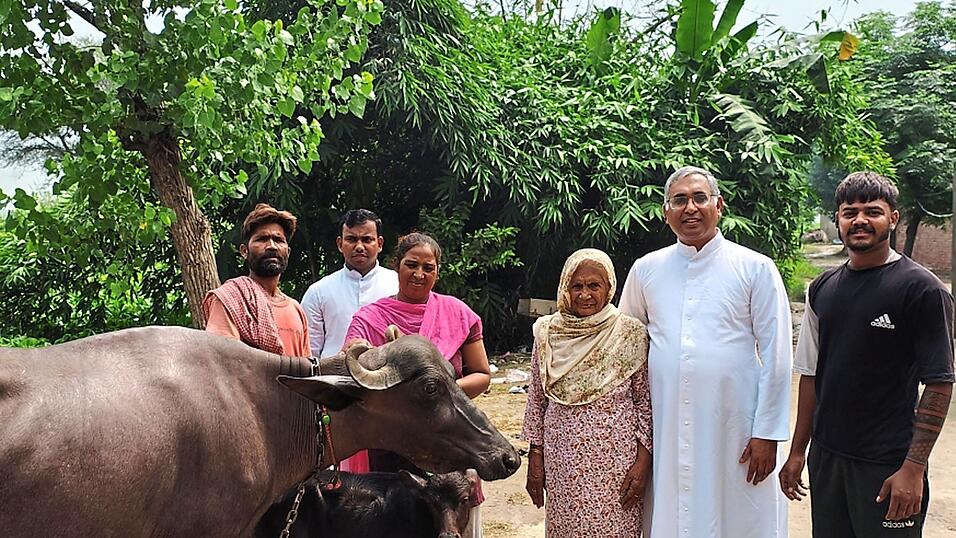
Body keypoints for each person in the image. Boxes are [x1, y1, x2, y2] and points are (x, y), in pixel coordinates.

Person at [619, 166, 792, 537]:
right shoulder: (646, 270)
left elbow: (777, 356)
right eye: (679, 200)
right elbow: (624, 351)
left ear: (719, 205)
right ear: (666, 212)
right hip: (665, 423)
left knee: (738, 512)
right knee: (673, 507)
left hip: (735, 424)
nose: (690, 208)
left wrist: (768, 432)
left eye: (700, 198)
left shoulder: (755, 268)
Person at [779, 172, 954, 537]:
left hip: (887, 463)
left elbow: (939, 383)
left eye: (872, 211)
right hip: (827, 459)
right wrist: (798, 452)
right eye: (849, 212)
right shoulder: (822, 288)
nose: (859, 220)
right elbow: (810, 374)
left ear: (893, 218)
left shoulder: (922, 289)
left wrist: (913, 468)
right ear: (839, 218)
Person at [342, 232, 492, 538]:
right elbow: (355, 372)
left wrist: (439, 396)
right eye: (411, 265)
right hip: (390, 441)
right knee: (390, 519)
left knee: (449, 522)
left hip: (449, 437)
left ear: (437, 272)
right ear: (396, 266)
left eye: (428, 267)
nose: (419, 274)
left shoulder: (458, 313)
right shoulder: (370, 318)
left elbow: (482, 374)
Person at [521, 248, 652, 537]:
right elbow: (536, 402)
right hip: (563, 459)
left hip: (618, 462)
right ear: (565, 288)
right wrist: (535, 458)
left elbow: (644, 403)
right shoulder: (548, 333)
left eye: (594, 285)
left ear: (609, 289)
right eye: (576, 286)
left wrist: (643, 464)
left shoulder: (630, 333)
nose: (585, 294)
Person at [203, 203, 310, 358]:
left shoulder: (296, 310)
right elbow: (222, 361)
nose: (271, 246)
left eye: (278, 240)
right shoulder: (230, 300)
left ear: (288, 252)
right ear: (244, 251)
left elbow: (307, 370)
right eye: (262, 239)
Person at [300, 209, 398, 359]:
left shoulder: (397, 285)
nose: (359, 246)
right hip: (332, 378)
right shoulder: (318, 292)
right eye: (351, 239)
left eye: (366, 240)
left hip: (387, 378)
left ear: (380, 243)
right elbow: (308, 352)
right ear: (340, 244)